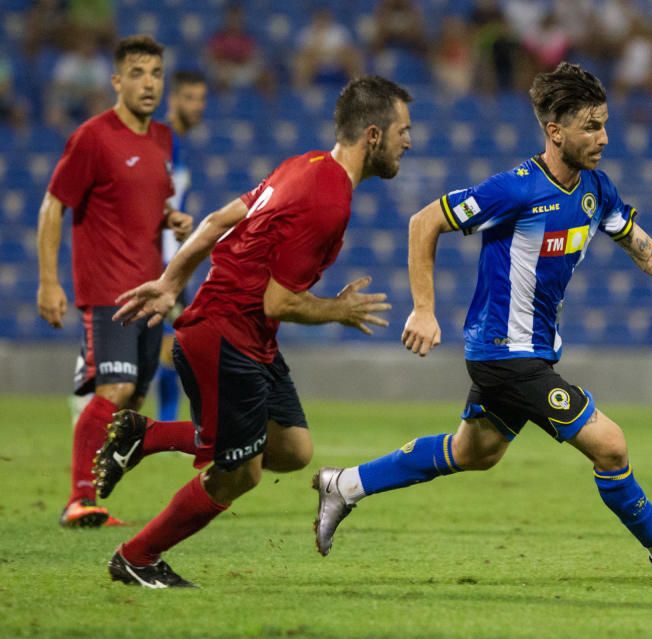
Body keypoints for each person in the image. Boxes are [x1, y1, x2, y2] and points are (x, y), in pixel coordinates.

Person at [313, 63, 652, 581]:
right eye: (591, 126)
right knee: (610, 445)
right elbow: (424, 221)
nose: (603, 137)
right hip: (505, 354)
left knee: (474, 451)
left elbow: (648, 254)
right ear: (555, 131)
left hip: (530, 351)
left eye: (605, 124)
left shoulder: (596, 191)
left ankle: (345, 484)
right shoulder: (517, 189)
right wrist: (425, 309)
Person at [96, 76, 412, 588]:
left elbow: (220, 218)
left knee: (292, 449)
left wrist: (171, 280)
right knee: (239, 472)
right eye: (403, 130)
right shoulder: (328, 201)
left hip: (251, 339)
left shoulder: (304, 165)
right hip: (223, 338)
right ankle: (137, 556)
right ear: (373, 135)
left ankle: (145, 435)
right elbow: (279, 300)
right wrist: (338, 310)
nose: (410, 141)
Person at [37, 35, 193, 529]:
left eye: (156, 74)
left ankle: (92, 494)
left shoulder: (163, 139)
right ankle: (79, 499)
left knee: (132, 397)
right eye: (138, 73)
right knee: (117, 386)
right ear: (116, 81)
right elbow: (52, 205)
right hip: (108, 290)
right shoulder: (93, 137)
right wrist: (48, 282)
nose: (148, 84)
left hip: (150, 291)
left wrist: (171, 219)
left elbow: (145, 198)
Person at [155, 70, 208, 422]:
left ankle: (168, 419)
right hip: (160, 259)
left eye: (201, 99)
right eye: (189, 98)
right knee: (177, 339)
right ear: (172, 100)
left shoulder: (178, 143)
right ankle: (168, 419)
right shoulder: (163, 140)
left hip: (173, 258)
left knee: (174, 339)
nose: (196, 106)